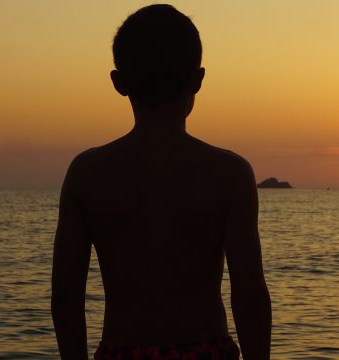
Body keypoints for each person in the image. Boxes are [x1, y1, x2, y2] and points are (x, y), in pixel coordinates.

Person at [51, 4, 271, 360]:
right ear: (198, 79)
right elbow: (250, 297)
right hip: (206, 352)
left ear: (118, 83)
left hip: (122, 353)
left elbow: (65, 297)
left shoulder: (87, 174)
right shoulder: (229, 175)